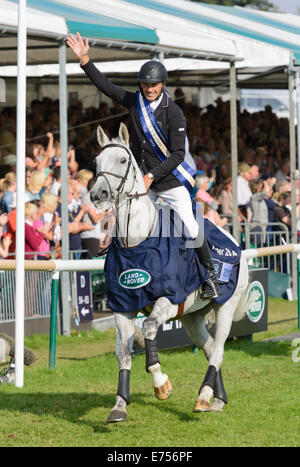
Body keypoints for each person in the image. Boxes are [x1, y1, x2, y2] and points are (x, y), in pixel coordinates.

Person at [66, 32, 220, 298]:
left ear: (162, 85)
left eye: (155, 85)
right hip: (141, 182)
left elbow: (177, 155)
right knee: (124, 219)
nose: (150, 89)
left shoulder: (174, 113)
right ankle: (122, 271)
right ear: (141, 84)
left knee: (192, 226)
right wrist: (85, 60)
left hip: (168, 181)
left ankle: (210, 278)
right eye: (146, 85)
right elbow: (107, 87)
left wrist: (151, 175)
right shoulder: (135, 101)